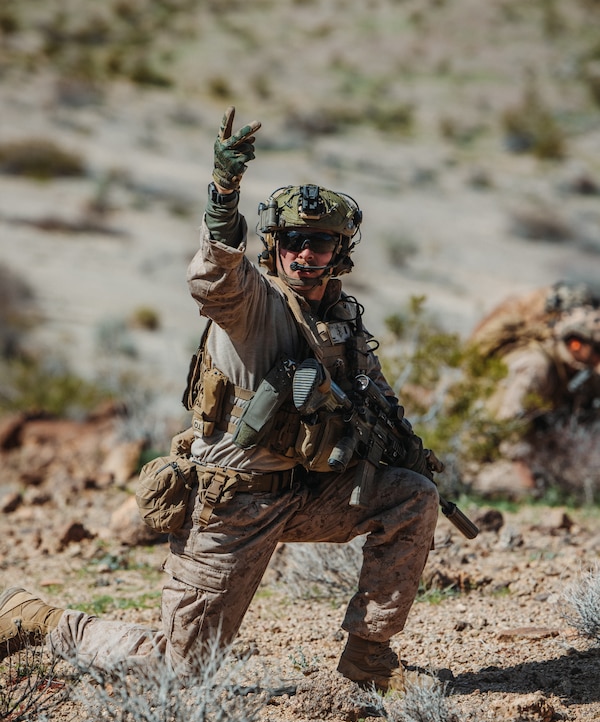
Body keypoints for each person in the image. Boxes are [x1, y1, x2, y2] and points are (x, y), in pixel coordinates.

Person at [0, 108, 440, 691]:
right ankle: (42, 621)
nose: (309, 254)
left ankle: (369, 657)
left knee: (412, 497)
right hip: (231, 508)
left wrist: (400, 446)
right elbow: (213, 278)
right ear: (276, 247)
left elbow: (372, 397)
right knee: (178, 672)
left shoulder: (340, 319)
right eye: (297, 242)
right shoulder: (252, 305)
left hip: (307, 493)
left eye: (323, 243)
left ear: (341, 251)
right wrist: (223, 193)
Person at [469, 282, 600, 423]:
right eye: (598, 349)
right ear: (575, 344)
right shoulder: (537, 366)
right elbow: (505, 423)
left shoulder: (573, 369)